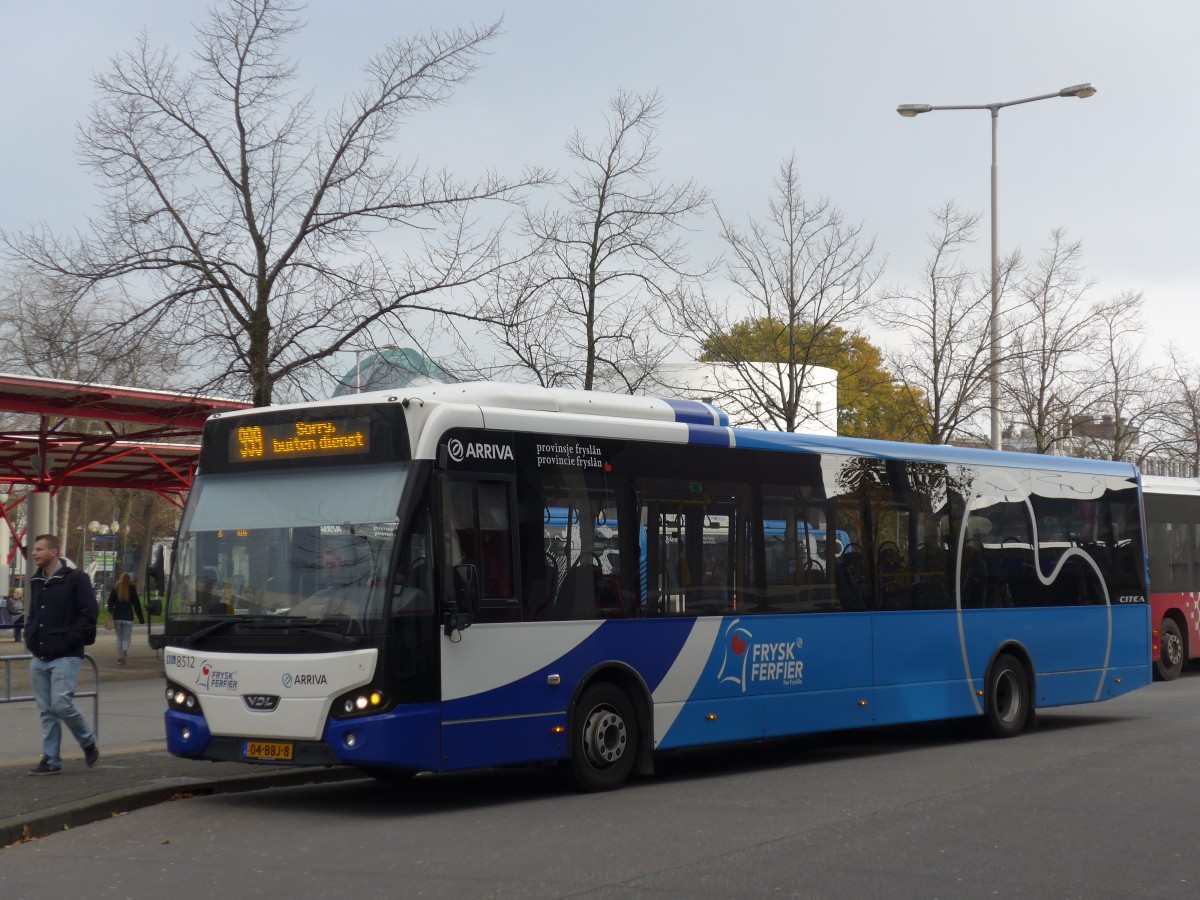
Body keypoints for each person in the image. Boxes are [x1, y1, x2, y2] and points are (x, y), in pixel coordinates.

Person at [24, 534, 99, 775]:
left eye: (39, 549)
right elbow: (33, 612)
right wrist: (30, 635)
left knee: (61, 703)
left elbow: (89, 614)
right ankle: (51, 759)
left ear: (53, 552)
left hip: (66, 654)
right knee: (46, 709)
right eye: (34, 549)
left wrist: (69, 640)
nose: (34, 553)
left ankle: (87, 741)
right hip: (40, 653)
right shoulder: (36, 580)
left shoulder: (76, 579)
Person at [106, 572, 145, 664]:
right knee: (126, 638)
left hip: (117, 617)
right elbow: (137, 605)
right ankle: (124, 650)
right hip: (128, 618)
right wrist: (141, 618)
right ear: (129, 580)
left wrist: (111, 610)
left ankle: (119, 658)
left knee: (119, 638)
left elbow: (110, 604)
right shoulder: (132, 589)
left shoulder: (116, 588)